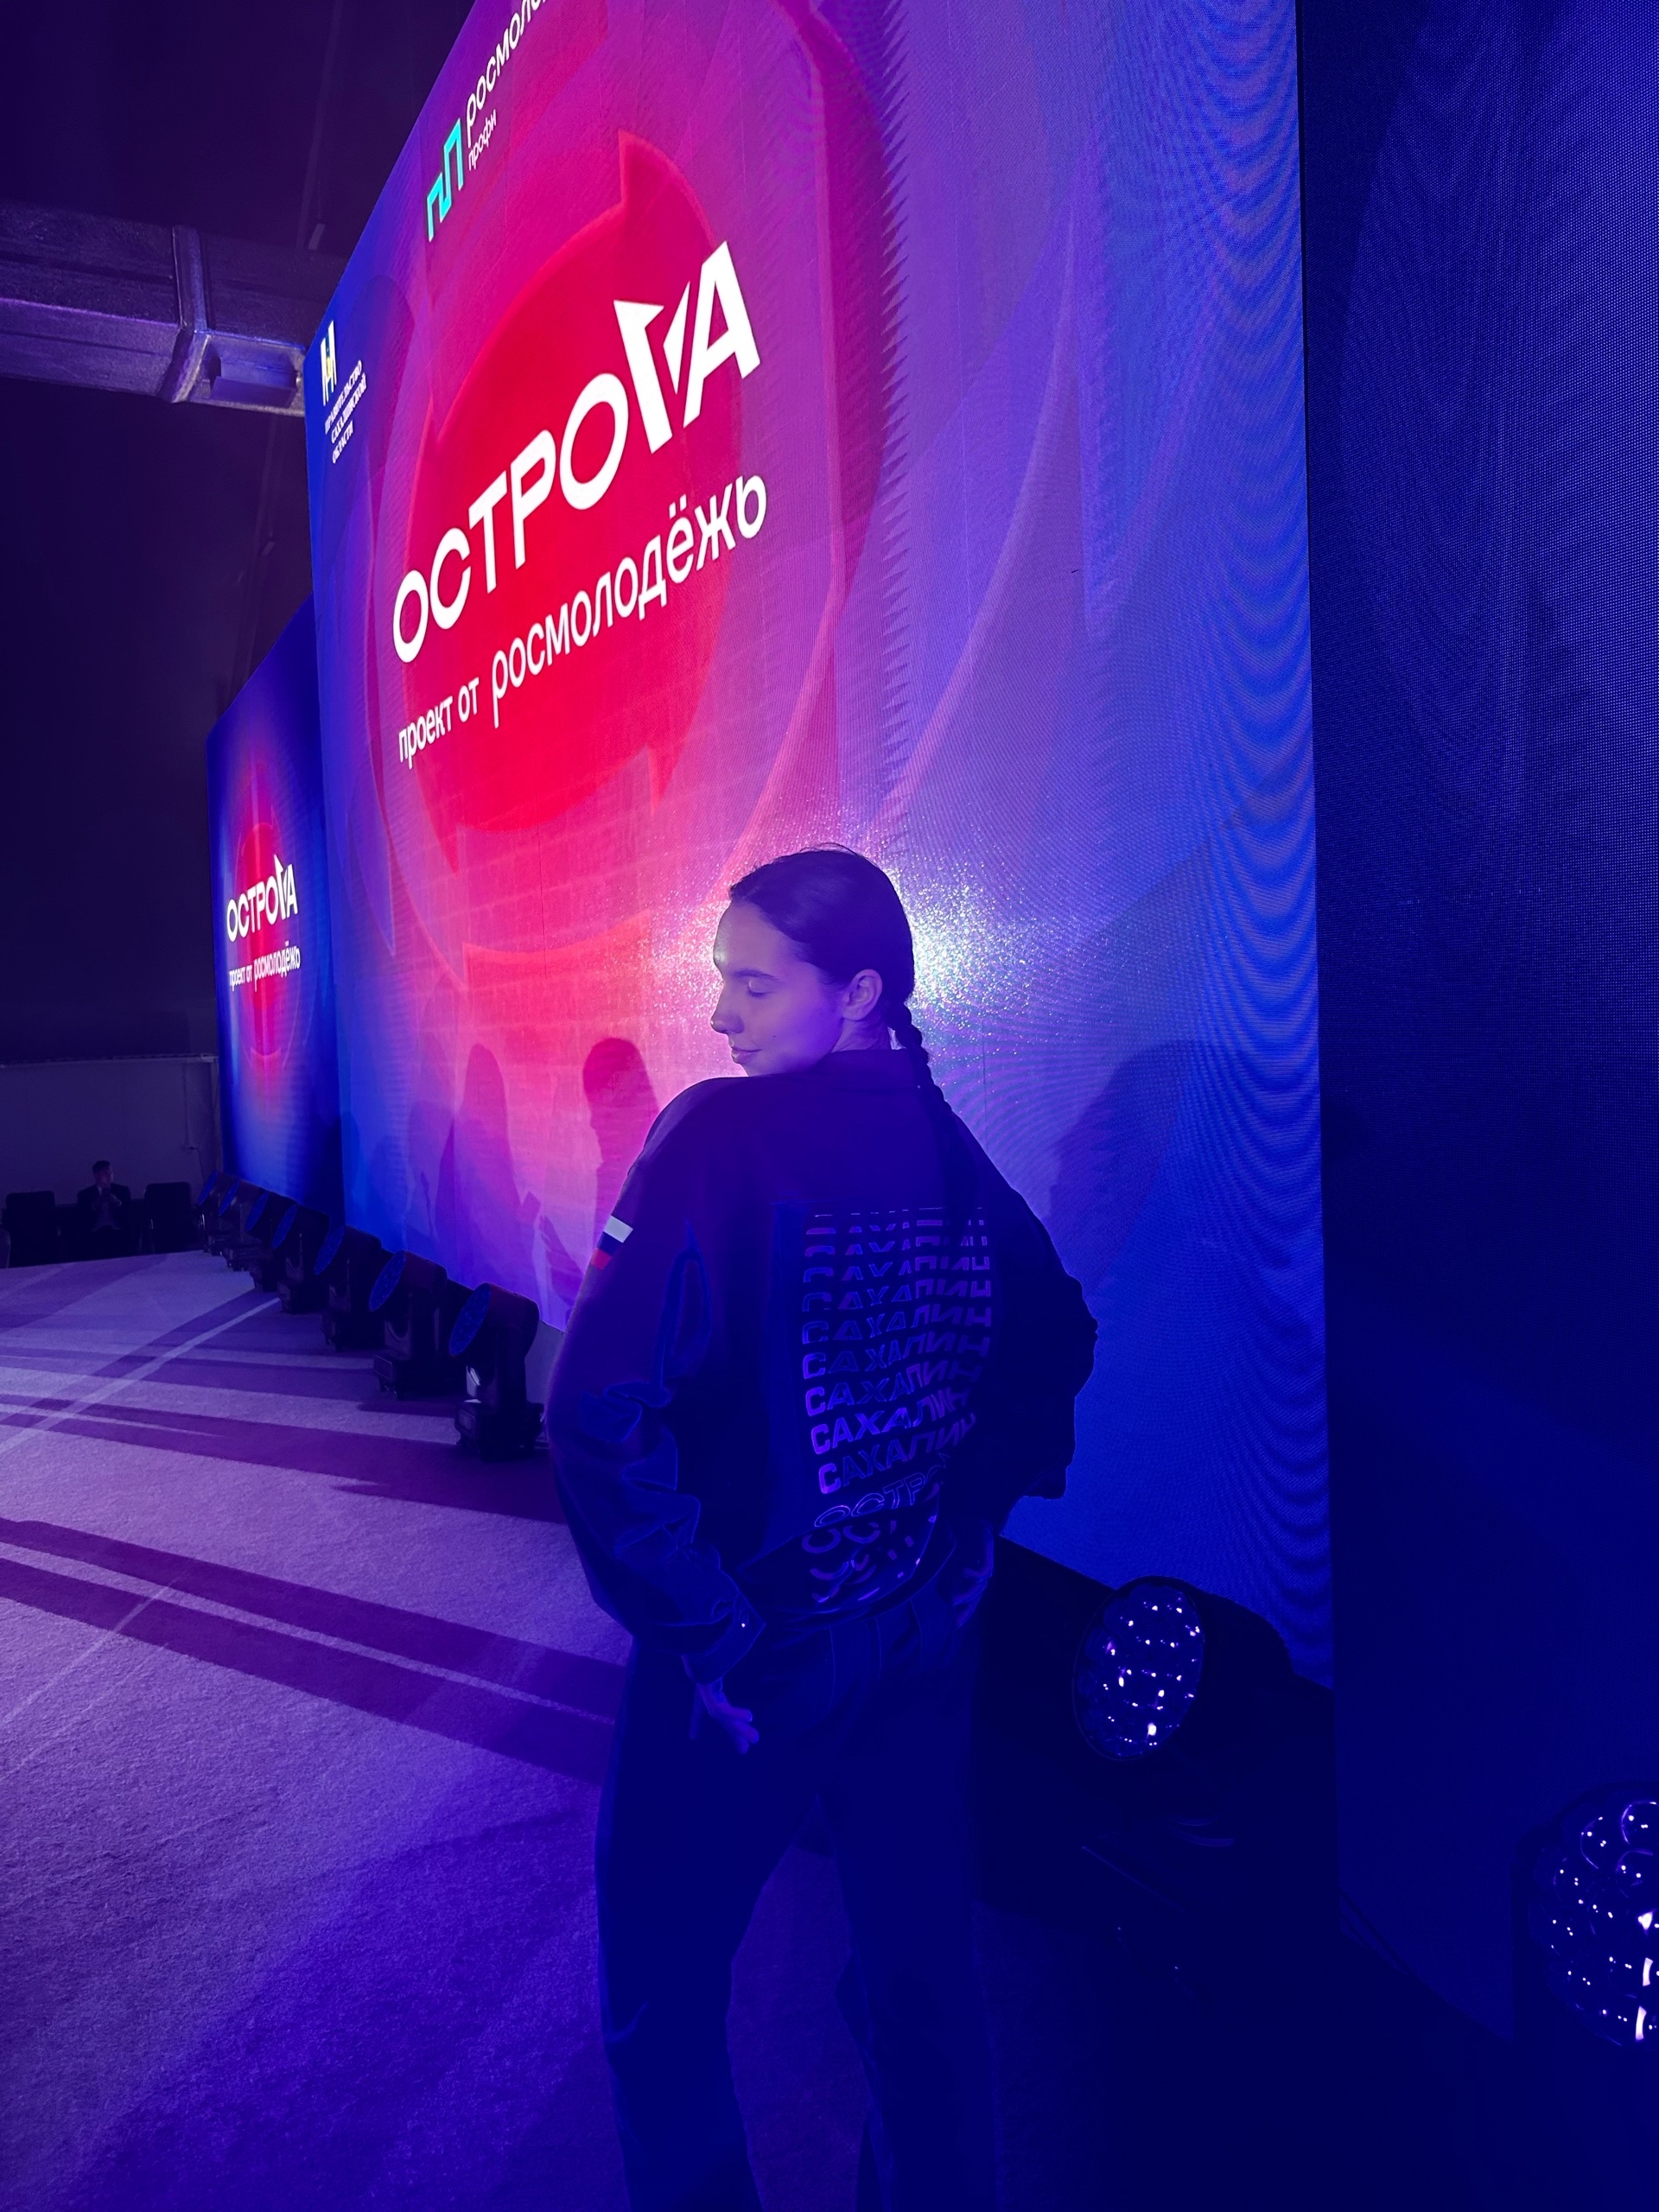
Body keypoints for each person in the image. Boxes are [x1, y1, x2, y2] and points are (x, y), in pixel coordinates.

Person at [546, 849, 1096, 2212]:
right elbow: (1054, 1333)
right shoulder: (942, 1139)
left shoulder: (718, 1133)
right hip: (922, 1639)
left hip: (759, 1650)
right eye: (721, 981)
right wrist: (967, 1524)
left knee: (662, 1988)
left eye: (752, 984)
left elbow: (596, 1412)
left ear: (858, 993)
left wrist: (712, 1634)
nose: (719, 1015)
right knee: (923, 1980)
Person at [76, 1160, 131, 1259]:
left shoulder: (122, 1191)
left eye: (111, 1173)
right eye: (105, 1173)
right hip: (95, 1235)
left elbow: (129, 1216)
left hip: (118, 1233)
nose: (109, 1176)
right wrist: (95, 1204)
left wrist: (118, 1204)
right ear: (96, 1175)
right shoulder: (84, 1195)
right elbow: (82, 1219)